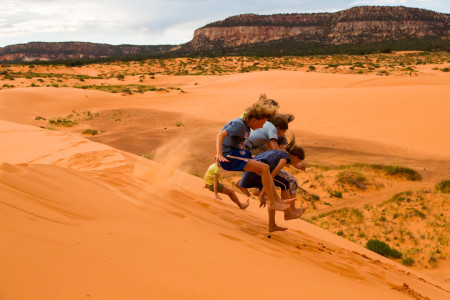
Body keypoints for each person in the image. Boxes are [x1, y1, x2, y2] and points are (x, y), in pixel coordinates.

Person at [216, 101, 294, 212]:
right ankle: (273, 202)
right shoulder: (239, 124)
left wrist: (252, 165)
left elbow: (240, 142)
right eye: (262, 123)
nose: (261, 127)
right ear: (254, 119)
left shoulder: (247, 128)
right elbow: (220, 135)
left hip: (236, 154)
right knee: (264, 167)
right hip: (229, 156)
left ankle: (277, 201)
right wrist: (219, 154)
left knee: (263, 168)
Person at [237, 138, 306, 232]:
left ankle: (272, 225)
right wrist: (262, 194)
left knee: (272, 197)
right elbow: (271, 175)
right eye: (297, 162)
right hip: (256, 174)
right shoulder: (285, 159)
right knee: (285, 184)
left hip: (251, 172)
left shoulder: (278, 152)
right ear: (296, 157)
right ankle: (287, 213)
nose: (296, 164)